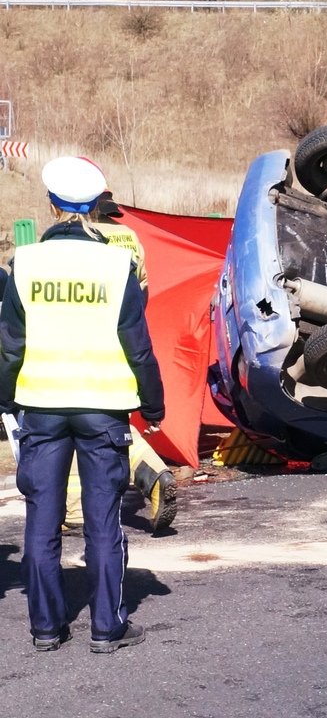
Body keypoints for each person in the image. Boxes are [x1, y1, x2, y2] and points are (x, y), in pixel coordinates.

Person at [0, 156, 163, 652]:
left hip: (42, 409)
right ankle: (106, 628)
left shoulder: (22, 265)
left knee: (42, 521)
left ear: (51, 205)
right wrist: (153, 406)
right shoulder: (118, 267)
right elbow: (138, 345)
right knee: (103, 521)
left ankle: (46, 629)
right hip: (102, 410)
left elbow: (10, 346)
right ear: (95, 205)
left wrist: (7, 401)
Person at [60, 191, 177, 533]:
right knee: (112, 424)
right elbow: (141, 294)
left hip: (83, 344)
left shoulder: (79, 241)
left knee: (72, 423)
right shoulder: (129, 237)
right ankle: (153, 473)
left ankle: (74, 514)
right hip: (123, 342)